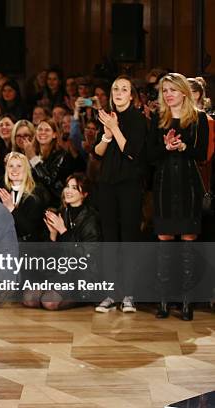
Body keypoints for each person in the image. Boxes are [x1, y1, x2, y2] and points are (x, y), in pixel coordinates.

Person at [149, 73, 209, 321]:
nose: (169, 94)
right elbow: (150, 155)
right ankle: (164, 300)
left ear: (184, 92)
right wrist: (164, 147)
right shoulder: (158, 118)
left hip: (188, 184)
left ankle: (186, 302)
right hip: (164, 184)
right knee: (164, 240)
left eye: (173, 90)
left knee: (187, 242)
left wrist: (184, 147)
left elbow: (203, 152)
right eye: (165, 91)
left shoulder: (199, 117)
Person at [93, 76, 147, 314]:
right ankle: (110, 293)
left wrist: (115, 129)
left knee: (128, 238)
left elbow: (132, 153)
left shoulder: (138, 120)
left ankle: (129, 294)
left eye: (124, 89)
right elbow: (97, 152)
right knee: (109, 239)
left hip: (129, 185)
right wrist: (106, 133)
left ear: (131, 95)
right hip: (106, 183)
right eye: (115, 88)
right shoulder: (107, 116)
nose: (118, 92)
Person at [25, 173, 101, 310]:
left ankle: (86, 298)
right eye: (67, 186)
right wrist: (53, 236)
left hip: (82, 275)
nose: (68, 190)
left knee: (49, 302)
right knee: (29, 299)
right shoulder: (62, 213)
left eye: (74, 188)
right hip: (61, 274)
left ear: (84, 194)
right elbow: (52, 258)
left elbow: (85, 256)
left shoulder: (91, 218)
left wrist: (63, 231)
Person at [0, 152, 49, 241]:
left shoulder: (36, 194)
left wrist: (11, 208)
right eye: (11, 166)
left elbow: (29, 229)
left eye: (19, 166)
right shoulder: (2, 190)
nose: (14, 170)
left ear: (26, 169)